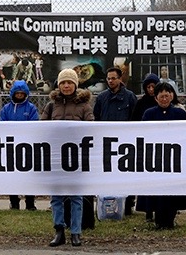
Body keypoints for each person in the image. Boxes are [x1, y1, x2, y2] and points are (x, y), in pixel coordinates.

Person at [40, 68, 94, 247]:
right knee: (56, 196)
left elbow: (91, 128)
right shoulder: (51, 105)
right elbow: (41, 128)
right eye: (63, 82)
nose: (66, 86)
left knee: (76, 196)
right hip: (55, 156)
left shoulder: (84, 106)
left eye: (70, 82)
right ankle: (59, 231)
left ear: (76, 84)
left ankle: (76, 232)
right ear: (59, 84)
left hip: (76, 157)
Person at [141, 82, 186, 229]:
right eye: (161, 96)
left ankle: (170, 219)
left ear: (172, 96)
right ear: (156, 98)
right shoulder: (149, 114)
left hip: (174, 158)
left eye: (167, 95)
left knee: (173, 190)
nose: (164, 99)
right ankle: (158, 220)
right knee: (157, 191)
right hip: (155, 158)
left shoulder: (180, 113)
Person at [94, 67, 138, 216]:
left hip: (125, 143)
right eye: (108, 78)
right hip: (106, 142)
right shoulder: (101, 98)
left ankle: (128, 204)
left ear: (120, 79)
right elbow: (96, 118)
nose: (111, 81)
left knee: (126, 174)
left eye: (113, 78)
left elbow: (135, 119)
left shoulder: (130, 97)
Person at [0, 80, 39, 210]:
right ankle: (14, 202)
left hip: (27, 147)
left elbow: (35, 124)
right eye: (18, 93)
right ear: (13, 94)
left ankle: (30, 202)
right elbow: (1, 125)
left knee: (29, 176)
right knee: (12, 175)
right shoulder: (6, 109)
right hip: (11, 146)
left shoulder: (31, 108)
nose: (20, 95)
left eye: (22, 93)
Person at [131, 73, 159, 220]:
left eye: (153, 86)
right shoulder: (141, 104)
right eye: (148, 87)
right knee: (147, 179)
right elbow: (134, 122)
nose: (151, 89)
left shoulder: (163, 101)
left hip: (162, 146)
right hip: (146, 145)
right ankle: (148, 210)